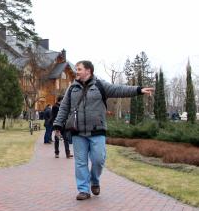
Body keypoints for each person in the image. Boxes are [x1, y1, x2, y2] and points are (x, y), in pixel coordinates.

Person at [54, 60, 154, 200]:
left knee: (98, 160)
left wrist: (138, 90)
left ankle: (95, 180)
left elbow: (119, 89)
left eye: (79, 69)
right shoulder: (72, 89)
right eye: (76, 69)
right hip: (77, 132)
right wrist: (57, 125)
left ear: (88, 71)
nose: (76, 71)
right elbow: (64, 107)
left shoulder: (100, 85)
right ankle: (83, 190)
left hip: (97, 131)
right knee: (80, 162)